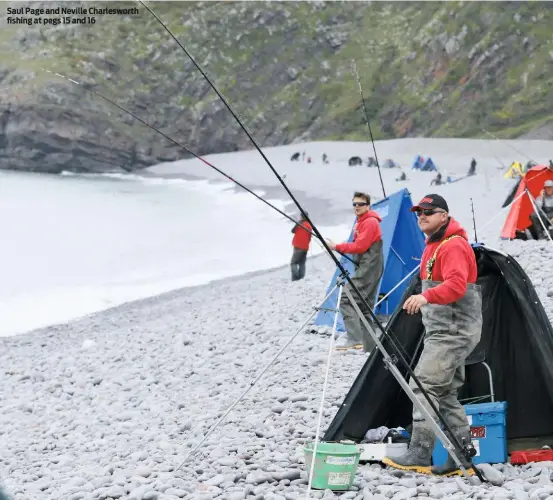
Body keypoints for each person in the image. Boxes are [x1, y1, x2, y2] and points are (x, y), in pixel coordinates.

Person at [383, 194, 482, 476]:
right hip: (443, 330)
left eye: (429, 211)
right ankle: (462, 458)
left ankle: (420, 452)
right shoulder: (434, 246)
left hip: (453, 330)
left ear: (444, 216)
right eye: (418, 212)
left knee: (423, 384)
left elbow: (457, 286)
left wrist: (425, 297)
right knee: (445, 392)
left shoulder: (453, 246)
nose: (421, 216)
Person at [326, 192, 384, 351]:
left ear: (368, 206)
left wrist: (337, 247)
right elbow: (359, 246)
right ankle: (371, 346)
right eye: (355, 204)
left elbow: (360, 247)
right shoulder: (361, 222)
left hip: (369, 268)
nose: (357, 207)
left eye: (361, 204)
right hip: (368, 267)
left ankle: (354, 339)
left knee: (347, 297)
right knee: (364, 306)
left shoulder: (370, 222)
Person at [290, 213, 312, 281]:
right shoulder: (309, 225)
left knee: (293, 263)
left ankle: (296, 278)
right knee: (302, 263)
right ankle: (301, 278)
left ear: (302, 216)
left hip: (298, 246)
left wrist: (297, 223)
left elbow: (292, 231)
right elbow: (309, 237)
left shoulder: (299, 224)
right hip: (305, 247)